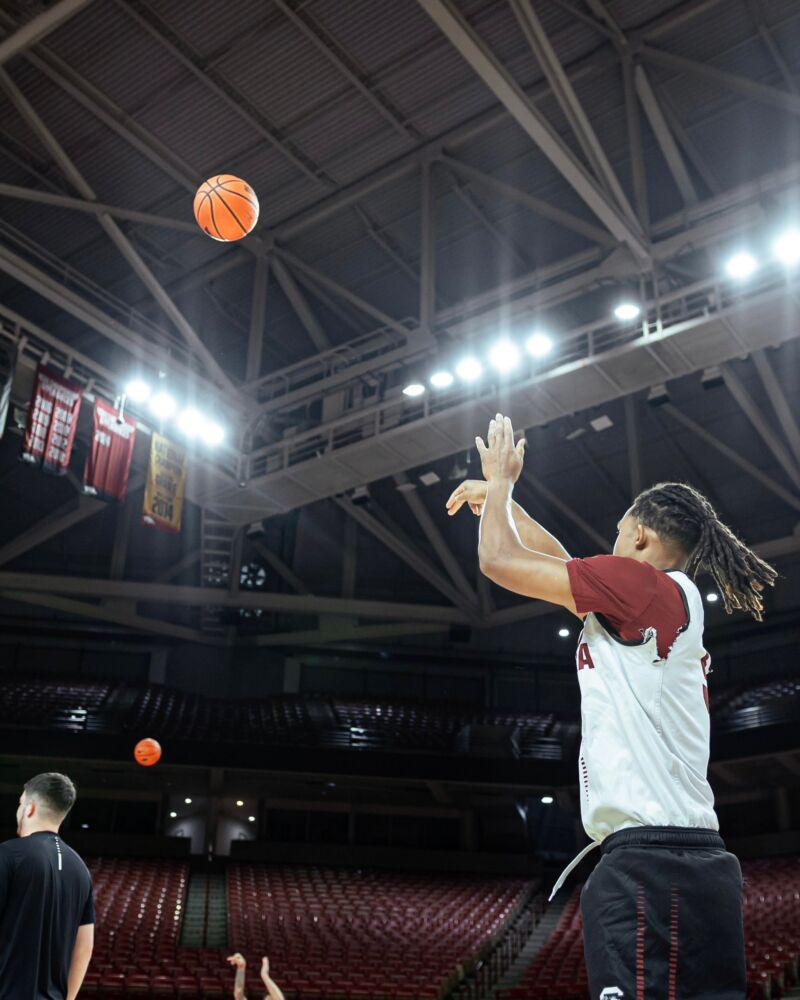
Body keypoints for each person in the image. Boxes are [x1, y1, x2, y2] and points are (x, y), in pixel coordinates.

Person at [446, 413, 777, 1000]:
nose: (614, 546)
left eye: (621, 534)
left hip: (651, 865)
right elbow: (562, 565)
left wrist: (499, 484)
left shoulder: (643, 586)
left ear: (642, 540)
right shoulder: (659, 602)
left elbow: (499, 563)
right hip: (691, 859)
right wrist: (508, 504)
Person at [0, 772, 95, 1000]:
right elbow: (84, 947)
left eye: (20, 803)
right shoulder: (81, 869)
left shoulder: (8, 854)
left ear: (29, 808)